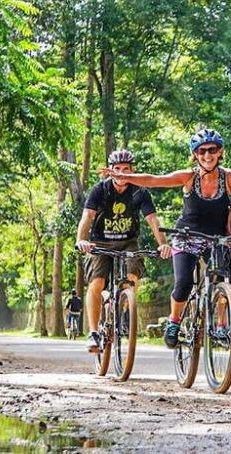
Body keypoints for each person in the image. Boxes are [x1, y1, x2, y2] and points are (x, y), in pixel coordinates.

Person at [99, 125, 231, 349]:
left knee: (223, 281)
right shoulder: (188, 177)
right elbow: (154, 180)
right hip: (186, 237)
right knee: (184, 283)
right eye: (201, 151)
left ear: (220, 152)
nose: (207, 155)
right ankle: (174, 321)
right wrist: (123, 176)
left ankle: (220, 326)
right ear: (195, 155)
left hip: (217, 238)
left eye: (212, 150)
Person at [76, 149, 172, 353]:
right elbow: (87, 216)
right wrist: (81, 240)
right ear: (110, 170)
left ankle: (121, 305)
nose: (121, 173)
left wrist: (162, 243)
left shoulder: (140, 191)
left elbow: (153, 219)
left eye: (126, 169)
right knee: (97, 282)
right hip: (100, 243)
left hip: (129, 242)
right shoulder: (99, 190)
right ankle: (93, 333)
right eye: (117, 169)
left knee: (131, 278)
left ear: (132, 171)